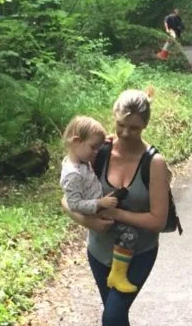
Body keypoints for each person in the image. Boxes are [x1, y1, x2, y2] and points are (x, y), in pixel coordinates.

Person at [62, 89, 172, 326]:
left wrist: (116, 215)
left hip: (139, 253)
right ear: (114, 118)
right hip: (99, 251)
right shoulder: (99, 150)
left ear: (145, 126)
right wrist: (90, 222)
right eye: (122, 125)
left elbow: (157, 219)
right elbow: (66, 199)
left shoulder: (154, 162)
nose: (126, 133)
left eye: (134, 128)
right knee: (116, 315)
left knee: (111, 315)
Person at [58, 115, 139, 294]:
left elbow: (91, 146)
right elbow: (74, 203)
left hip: (101, 204)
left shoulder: (80, 160)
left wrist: (107, 140)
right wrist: (99, 204)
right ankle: (118, 273)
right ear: (77, 141)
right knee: (130, 235)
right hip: (98, 213)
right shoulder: (72, 174)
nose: (96, 152)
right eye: (93, 148)